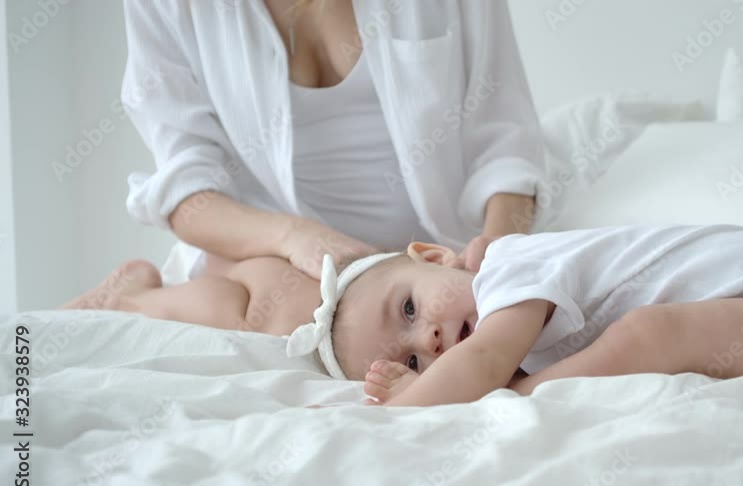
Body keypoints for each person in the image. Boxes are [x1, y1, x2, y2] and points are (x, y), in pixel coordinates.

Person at [67, 225, 743, 404]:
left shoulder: (516, 263)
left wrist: (406, 404)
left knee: (645, 337)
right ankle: (142, 291)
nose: (430, 341)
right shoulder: (510, 320)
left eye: (411, 307)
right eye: (415, 355)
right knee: (644, 344)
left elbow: (482, 367)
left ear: (439, 254)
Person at [91, 0, 547, 299]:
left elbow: (506, 145)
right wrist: (296, 240)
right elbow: (185, 192)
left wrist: (499, 254)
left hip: (442, 261)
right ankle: (129, 300)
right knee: (271, 304)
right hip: (278, 265)